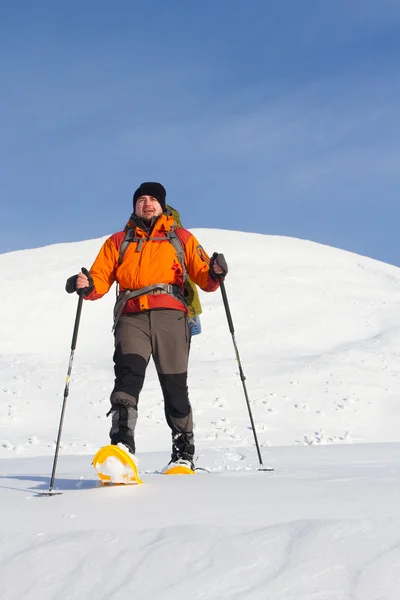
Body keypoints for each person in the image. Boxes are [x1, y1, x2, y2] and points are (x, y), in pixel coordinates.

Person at [66, 182, 228, 470]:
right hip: (132, 316)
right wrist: (86, 283)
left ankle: (183, 451)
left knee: (174, 386)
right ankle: (122, 445)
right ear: (134, 206)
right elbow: (100, 279)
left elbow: (205, 278)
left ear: (162, 205)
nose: (147, 203)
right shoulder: (119, 241)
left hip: (172, 316)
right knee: (128, 377)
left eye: (153, 199)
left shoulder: (181, 238)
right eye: (141, 199)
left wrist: (215, 271)